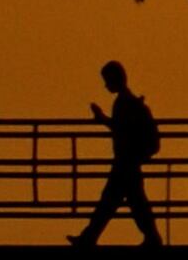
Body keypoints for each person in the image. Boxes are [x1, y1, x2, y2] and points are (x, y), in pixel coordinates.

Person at [69, 60, 162, 246]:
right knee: (129, 203)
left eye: (107, 80)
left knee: (114, 203)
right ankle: (151, 238)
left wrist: (102, 119)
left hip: (125, 162)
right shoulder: (128, 102)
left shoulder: (123, 103)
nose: (106, 85)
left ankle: (89, 238)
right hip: (128, 162)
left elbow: (121, 129)